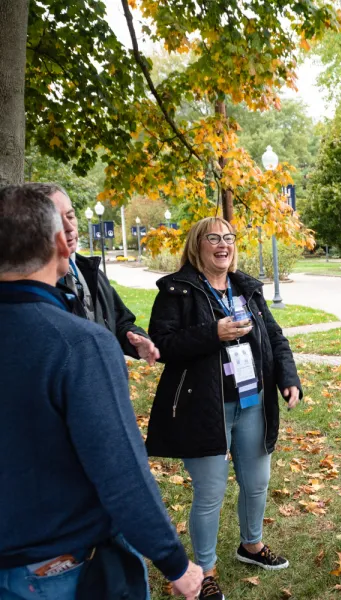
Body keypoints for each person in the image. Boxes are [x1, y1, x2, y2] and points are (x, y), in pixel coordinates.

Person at [0, 185, 202, 600]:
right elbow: (121, 472)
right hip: (60, 571)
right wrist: (176, 564)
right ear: (59, 242)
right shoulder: (78, 345)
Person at [145, 217, 301, 600]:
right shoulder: (178, 290)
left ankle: (251, 546)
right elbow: (162, 344)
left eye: (229, 238)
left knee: (257, 481)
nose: (223, 244)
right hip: (204, 407)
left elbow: (275, 335)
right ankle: (206, 570)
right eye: (213, 238)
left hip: (252, 401)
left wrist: (288, 376)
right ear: (197, 245)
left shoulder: (246, 288)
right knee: (210, 491)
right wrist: (212, 334)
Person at [22, 182, 160, 364]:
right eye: (56, 221)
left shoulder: (91, 271)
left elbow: (119, 322)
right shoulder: (28, 285)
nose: (69, 227)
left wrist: (137, 341)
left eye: (70, 217)